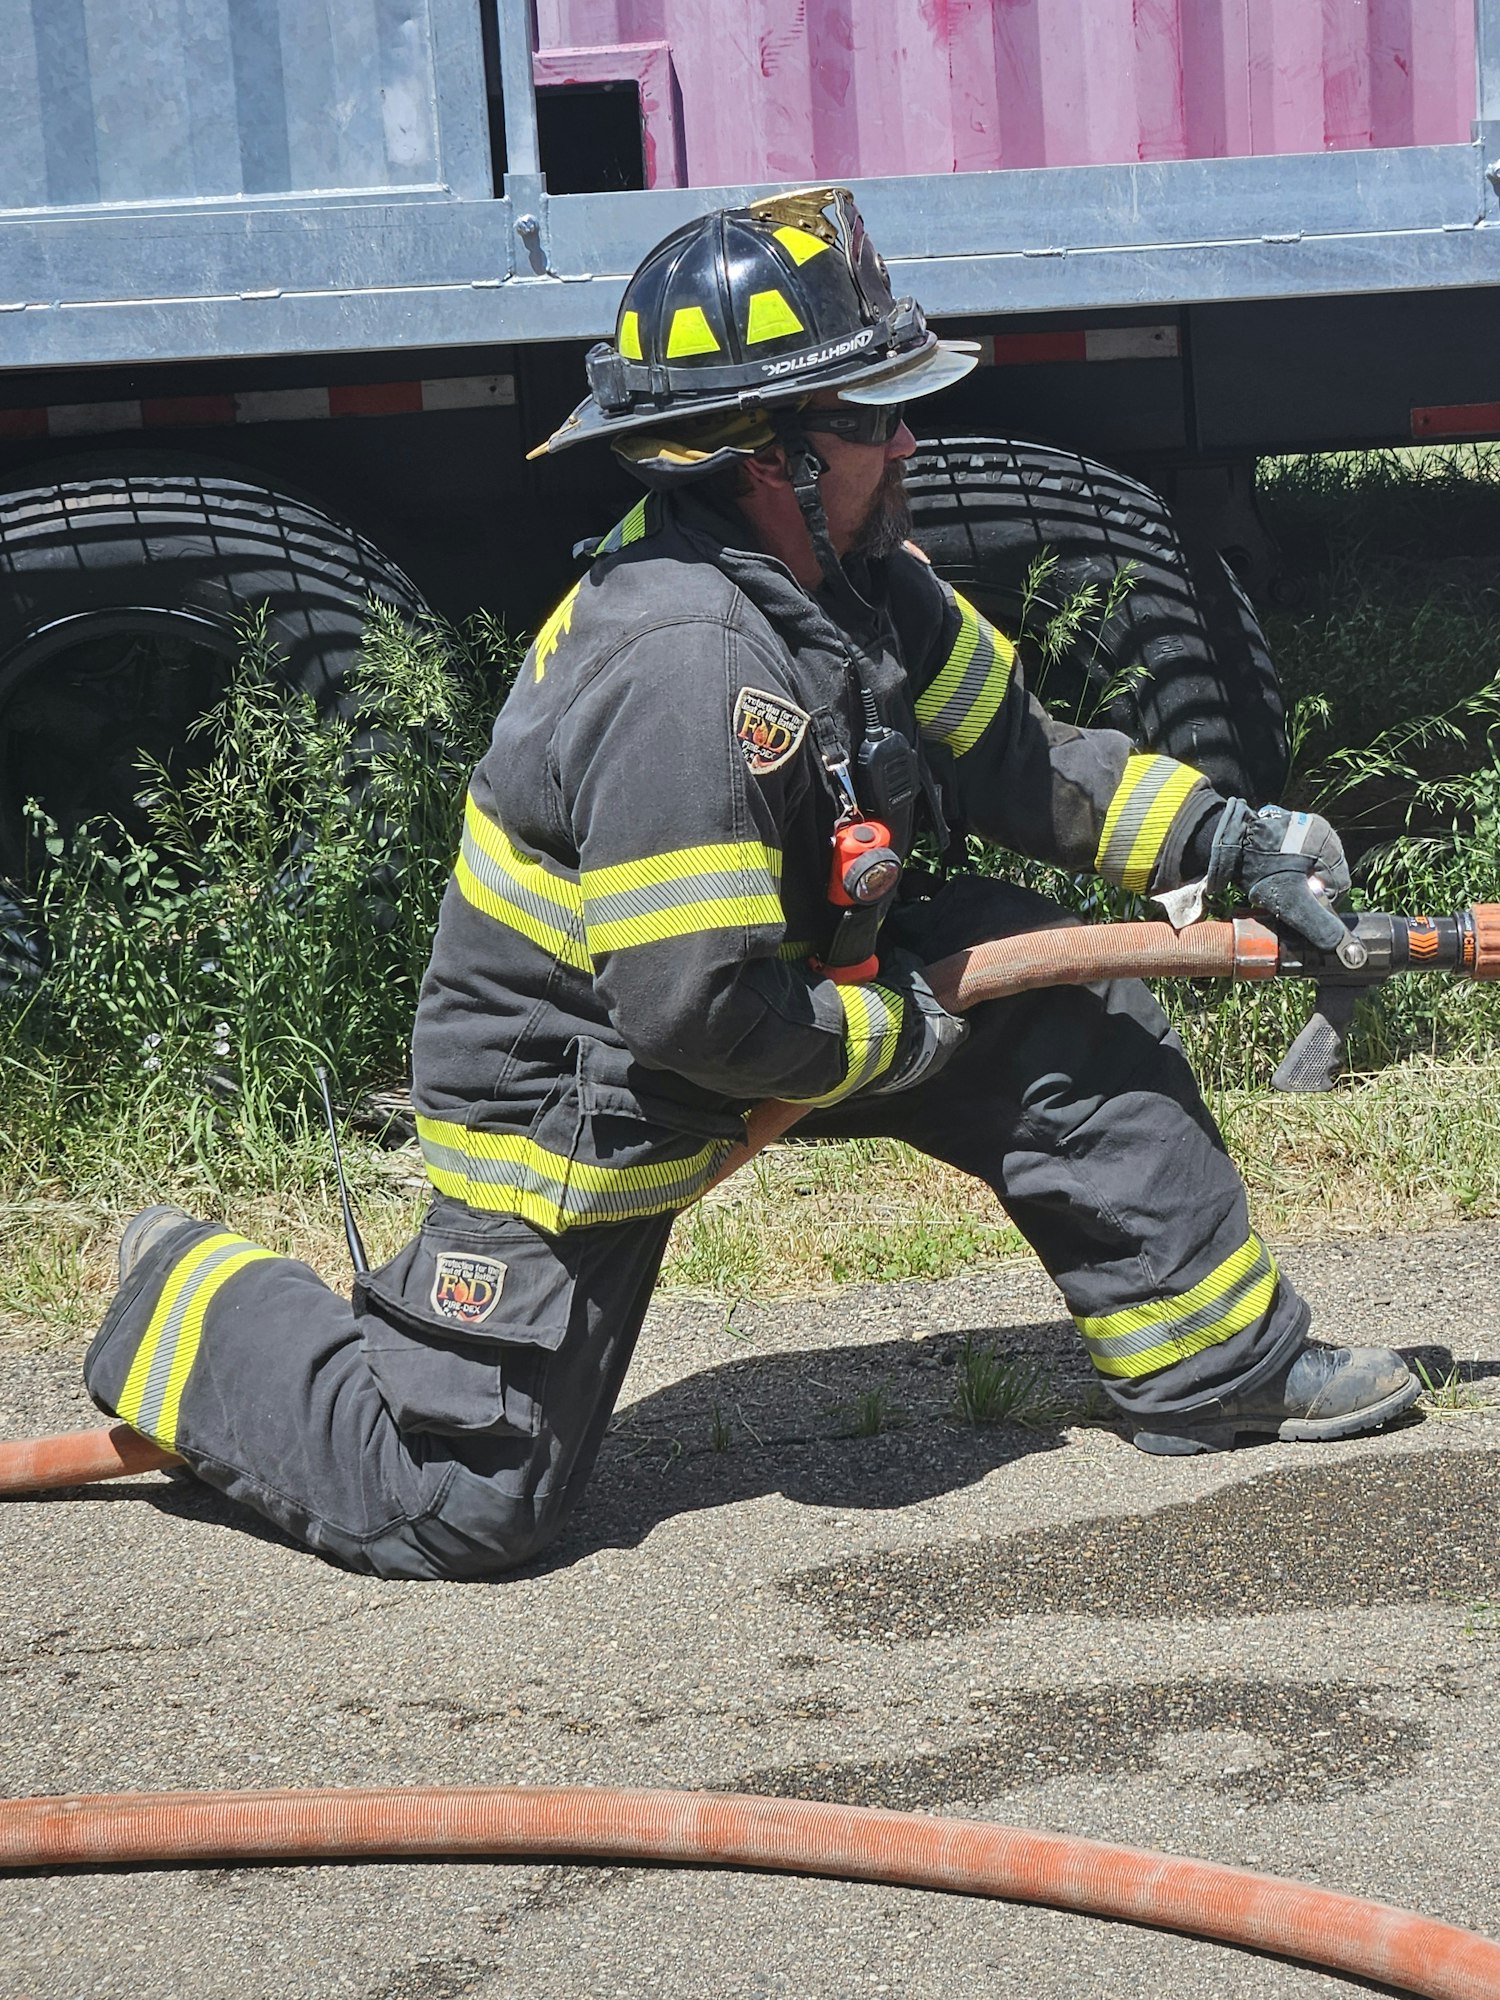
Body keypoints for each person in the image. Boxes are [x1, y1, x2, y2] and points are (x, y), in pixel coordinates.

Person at [84, 188, 1418, 1582]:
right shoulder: (687, 663)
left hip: (782, 992)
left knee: (1060, 1001)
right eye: (875, 415)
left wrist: (1232, 843)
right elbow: (688, 1010)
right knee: (461, 1503)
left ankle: (1216, 1370)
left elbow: (1024, 762)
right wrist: (902, 1029)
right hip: (583, 1089)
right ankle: (191, 1290)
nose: (910, 440)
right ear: (770, 456)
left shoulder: (860, 586)